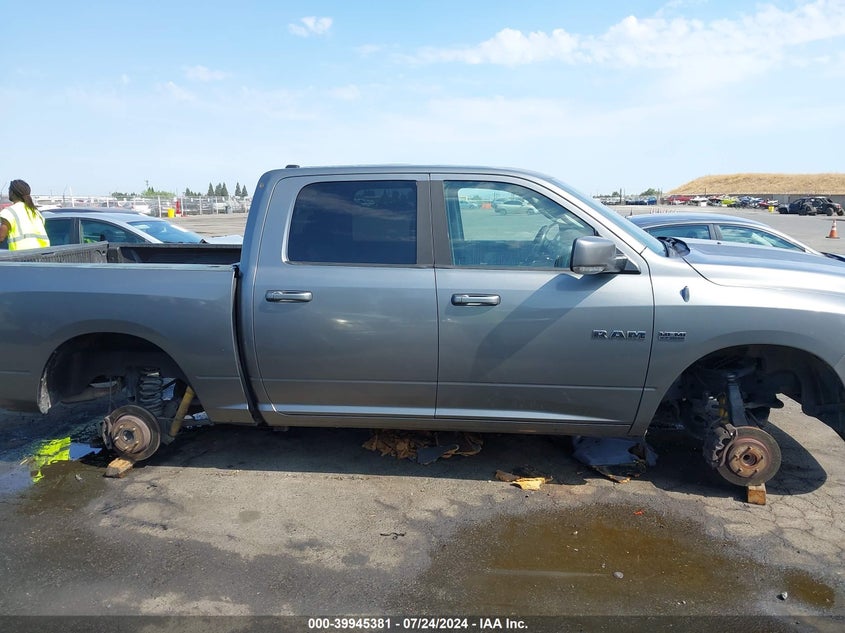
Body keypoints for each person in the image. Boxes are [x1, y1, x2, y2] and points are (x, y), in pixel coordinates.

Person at [0, 179, 50, 250]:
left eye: (9, 190)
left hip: (22, 256)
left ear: (13, 193)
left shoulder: (9, 212)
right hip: (42, 256)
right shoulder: (35, 212)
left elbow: (1, 237)